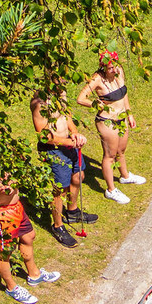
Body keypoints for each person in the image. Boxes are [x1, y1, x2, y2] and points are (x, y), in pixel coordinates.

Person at [0, 155, 60, 304]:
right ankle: (11, 287)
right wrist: (18, 176)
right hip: (1, 213)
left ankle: (34, 274)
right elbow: (4, 189)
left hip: (16, 208)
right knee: (4, 251)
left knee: (29, 236)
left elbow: (21, 168)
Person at [77, 48, 146, 203]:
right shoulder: (97, 79)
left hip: (121, 119)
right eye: (110, 68)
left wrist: (129, 113)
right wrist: (95, 104)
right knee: (109, 156)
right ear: (103, 67)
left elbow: (123, 93)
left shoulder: (119, 71)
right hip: (107, 122)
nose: (114, 70)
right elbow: (81, 98)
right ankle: (110, 190)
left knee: (121, 151)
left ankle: (125, 176)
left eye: (115, 66)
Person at [30, 91, 98, 245]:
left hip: (69, 143)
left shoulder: (61, 94)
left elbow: (66, 116)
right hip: (53, 150)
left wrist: (74, 132)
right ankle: (58, 226)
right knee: (60, 188)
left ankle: (72, 212)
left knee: (79, 175)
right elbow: (43, 136)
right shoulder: (39, 103)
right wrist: (69, 143)